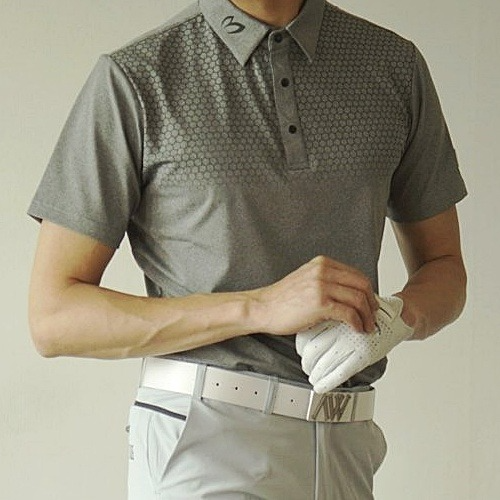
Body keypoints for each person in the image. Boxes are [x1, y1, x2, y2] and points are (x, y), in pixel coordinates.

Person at [27, 0, 467, 498]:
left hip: (349, 442)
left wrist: (396, 318)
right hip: (208, 440)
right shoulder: (137, 77)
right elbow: (54, 317)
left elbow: (445, 267)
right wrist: (258, 306)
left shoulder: (394, 65)